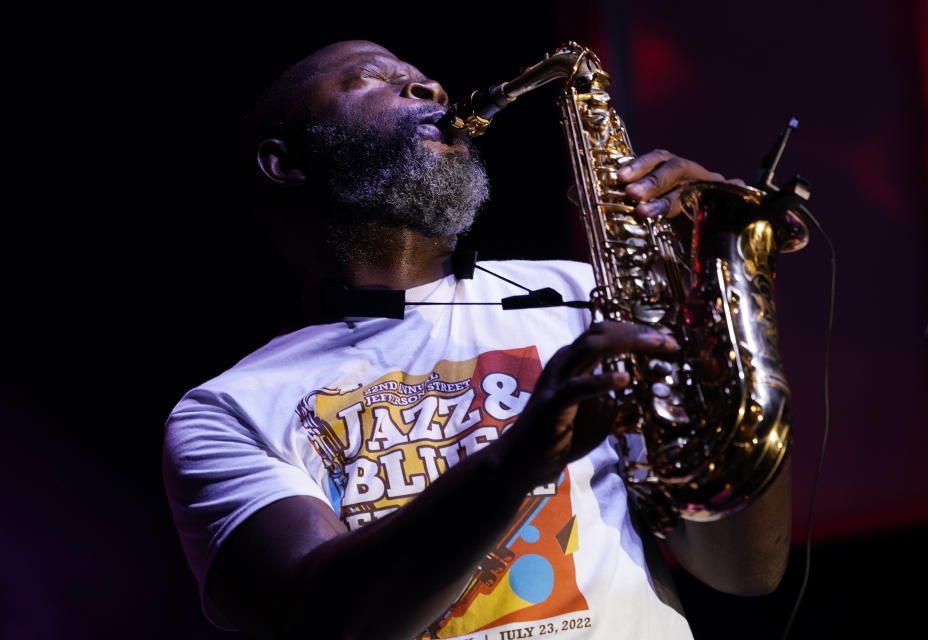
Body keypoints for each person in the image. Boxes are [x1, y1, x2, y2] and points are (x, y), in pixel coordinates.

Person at [162, 39, 791, 640]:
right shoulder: (230, 409)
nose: (428, 85)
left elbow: (745, 570)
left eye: (418, 73)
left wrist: (713, 292)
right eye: (369, 78)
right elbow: (326, 623)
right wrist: (519, 459)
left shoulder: (590, 298)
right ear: (284, 161)